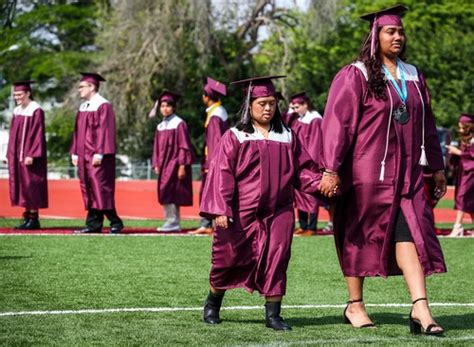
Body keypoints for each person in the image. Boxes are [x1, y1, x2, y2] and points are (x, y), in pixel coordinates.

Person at [319, 5, 446, 335]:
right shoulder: (356, 74)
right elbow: (339, 124)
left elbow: (427, 126)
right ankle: (355, 304)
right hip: (367, 173)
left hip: (408, 174)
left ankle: (421, 307)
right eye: (391, 31)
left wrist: (437, 167)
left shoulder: (414, 76)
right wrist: (330, 168)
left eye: (401, 31)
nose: (398, 36)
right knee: (359, 236)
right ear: (375, 37)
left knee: (411, 235)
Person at [199, 75, 321, 330]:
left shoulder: (286, 135)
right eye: (262, 103)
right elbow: (222, 172)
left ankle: (273, 315)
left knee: (277, 257)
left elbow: (301, 171)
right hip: (241, 210)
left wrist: (322, 184)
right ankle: (213, 301)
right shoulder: (235, 136)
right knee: (227, 259)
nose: (268, 108)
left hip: (279, 210)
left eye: (272, 103)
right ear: (249, 104)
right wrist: (220, 208)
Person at [71, 72, 124, 234]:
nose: (79, 90)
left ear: (92, 87)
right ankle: (94, 224)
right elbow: (77, 132)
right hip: (84, 155)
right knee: (90, 188)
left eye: (82, 87)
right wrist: (75, 152)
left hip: (97, 156)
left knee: (100, 188)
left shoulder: (103, 105)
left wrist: (100, 153)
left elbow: (105, 132)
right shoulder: (84, 107)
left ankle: (115, 221)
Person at [190, 78, 229, 235]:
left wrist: (211, 165)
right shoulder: (219, 111)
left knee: (210, 191)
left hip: (214, 162)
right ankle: (208, 224)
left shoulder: (215, 116)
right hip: (217, 160)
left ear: (207, 97)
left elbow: (215, 142)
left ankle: (206, 224)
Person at [7, 80, 48, 229]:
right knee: (22, 185)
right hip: (18, 155)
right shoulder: (17, 111)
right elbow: (13, 135)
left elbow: (37, 134)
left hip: (30, 157)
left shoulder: (36, 110)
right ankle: (27, 217)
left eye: (19, 94)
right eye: (15, 94)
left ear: (28, 93)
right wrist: (10, 154)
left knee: (32, 185)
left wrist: (31, 154)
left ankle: (34, 219)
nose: (17, 97)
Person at [151, 91, 194, 232]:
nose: (165, 109)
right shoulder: (160, 126)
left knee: (172, 192)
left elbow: (184, 146)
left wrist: (182, 165)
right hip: (163, 165)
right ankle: (170, 221)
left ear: (173, 108)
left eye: (168, 106)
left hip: (174, 164)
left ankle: (173, 222)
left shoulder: (179, 124)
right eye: (162, 106)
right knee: (165, 192)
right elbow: (156, 147)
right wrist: (156, 163)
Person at [289, 92, 323, 236]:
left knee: (311, 196)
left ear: (305, 105)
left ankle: (312, 227)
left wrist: (310, 163)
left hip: (310, 164)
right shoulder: (299, 119)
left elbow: (316, 144)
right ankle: (302, 225)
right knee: (299, 194)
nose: (295, 110)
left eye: (297, 107)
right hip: (299, 162)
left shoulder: (315, 119)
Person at [446, 113, 474, 237]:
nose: (460, 130)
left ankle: (458, 226)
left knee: (462, 197)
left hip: (471, 173)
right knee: (469, 200)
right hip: (465, 173)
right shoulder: (465, 139)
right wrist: (453, 153)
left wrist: (458, 152)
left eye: (462, 127)